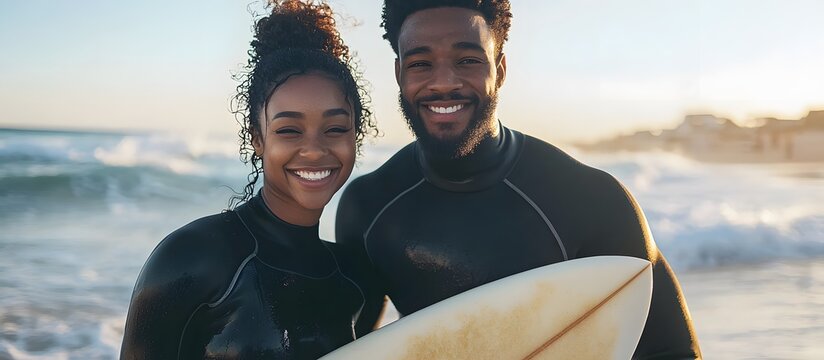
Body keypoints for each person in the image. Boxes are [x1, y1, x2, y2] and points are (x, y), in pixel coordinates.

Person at [335, 1, 702, 358]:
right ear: (400, 74)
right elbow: (350, 348)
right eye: (421, 63)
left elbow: (673, 351)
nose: (444, 82)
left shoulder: (589, 199)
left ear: (500, 68)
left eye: (468, 60)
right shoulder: (369, 208)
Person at [120, 1, 377, 358]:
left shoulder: (354, 278)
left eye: (335, 128)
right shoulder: (190, 259)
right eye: (289, 130)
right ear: (257, 137)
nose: (315, 150)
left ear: (355, 136)